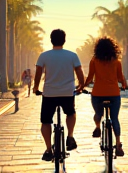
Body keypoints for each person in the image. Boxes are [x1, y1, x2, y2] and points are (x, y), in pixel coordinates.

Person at [32, 29, 85, 162]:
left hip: (49, 93)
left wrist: (36, 88)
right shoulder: (72, 55)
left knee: (45, 121)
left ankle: (49, 149)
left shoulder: (44, 56)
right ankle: (70, 136)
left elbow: (38, 73)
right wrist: (81, 86)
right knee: (71, 113)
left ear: (51, 40)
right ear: (64, 40)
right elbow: (79, 71)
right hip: (67, 92)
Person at [83, 36, 126, 157]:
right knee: (115, 118)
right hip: (114, 94)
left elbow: (90, 77)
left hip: (98, 94)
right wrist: (123, 84)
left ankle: (97, 127)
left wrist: (82, 86)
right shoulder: (116, 62)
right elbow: (120, 77)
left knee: (98, 113)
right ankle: (118, 144)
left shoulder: (94, 61)